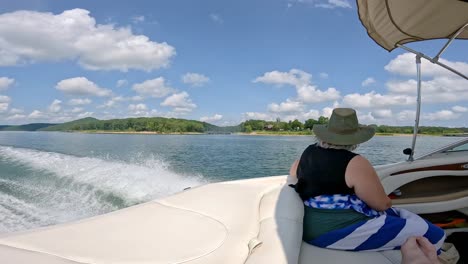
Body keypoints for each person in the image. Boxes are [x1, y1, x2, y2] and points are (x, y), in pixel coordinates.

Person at [289, 108, 445, 253]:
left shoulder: (308, 151)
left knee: (399, 214)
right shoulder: (354, 162)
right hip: (336, 231)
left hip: (310, 225)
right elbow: (382, 204)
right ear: (354, 138)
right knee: (435, 235)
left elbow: (294, 171)